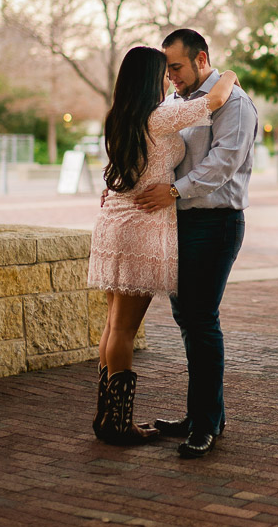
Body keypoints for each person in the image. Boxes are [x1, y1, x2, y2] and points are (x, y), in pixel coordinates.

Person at [88, 45, 238, 446]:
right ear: (148, 80)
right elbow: (218, 98)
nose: (169, 80)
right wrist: (230, 74)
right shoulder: (159, 117)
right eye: (163, 74)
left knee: (112, 325)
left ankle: (107, 419)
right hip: (139, 228)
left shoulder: (117, 117)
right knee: (123, 328)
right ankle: (119, 425)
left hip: (113, 224)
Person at [134, 28, 258, 459]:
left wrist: (173, 191)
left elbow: (224, 163)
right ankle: (204, 414)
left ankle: (204, 426)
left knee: (202, 320)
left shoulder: (235, 104)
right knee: (187, 319)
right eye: (168, 70)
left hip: (215, 223)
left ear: (201, 59)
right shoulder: (177, 103)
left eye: (177, 67)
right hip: (179, 225)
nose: (171, 77)